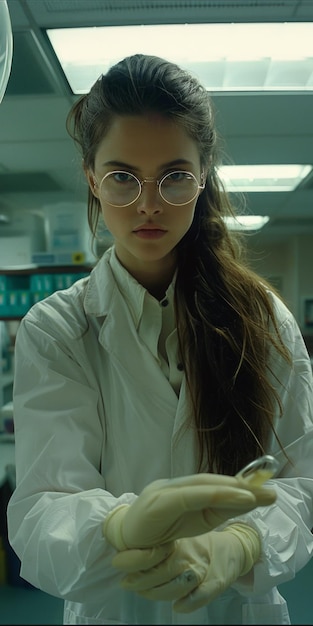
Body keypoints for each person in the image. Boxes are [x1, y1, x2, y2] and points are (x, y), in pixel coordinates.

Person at [6, 53, 313, 625]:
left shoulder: (265, 321)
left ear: (202, 177)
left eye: (173, 176)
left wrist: (242, 543)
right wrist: (118, 528)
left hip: (239, 611)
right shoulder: (57, 330)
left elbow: (300, 483)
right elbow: (43, 509)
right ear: (92, 178)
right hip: (116, 611)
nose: (148, 203)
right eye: (123, 177)